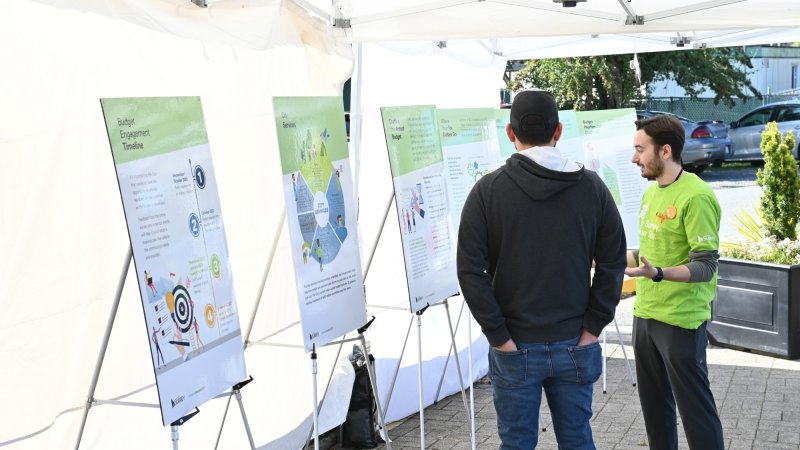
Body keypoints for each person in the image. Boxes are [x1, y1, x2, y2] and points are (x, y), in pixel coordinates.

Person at [457, 89, 627, 450]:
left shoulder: (486, 192)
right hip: (576, 342)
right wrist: (593, 327)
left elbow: (470, 272)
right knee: (578, 441)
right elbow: (613, 262)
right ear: (559, 131)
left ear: (510, 133)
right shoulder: (593, 188)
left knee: (517, 444)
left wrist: (499, 336)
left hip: (513, 345)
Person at [626, 114, 724, 450]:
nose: (634, 157)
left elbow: (705, 265)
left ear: (665, 151)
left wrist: (659, 274)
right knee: (655, 412)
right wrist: (609, 257)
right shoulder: (652, 193)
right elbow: (654, 250)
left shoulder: (696, 196)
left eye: (640, 149)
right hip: (645, 314)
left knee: (696, 414)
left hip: (681, 321)